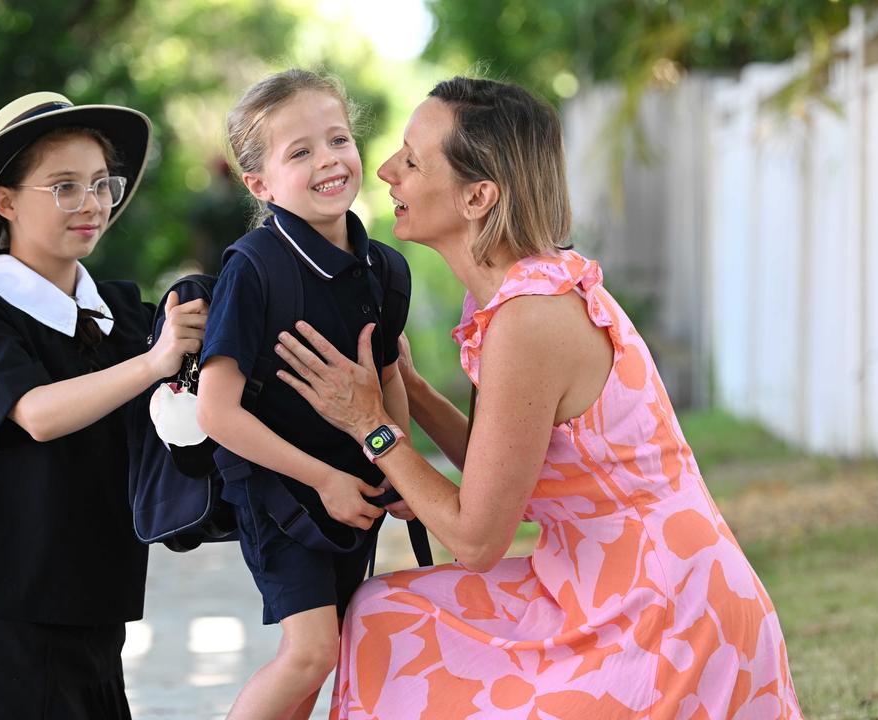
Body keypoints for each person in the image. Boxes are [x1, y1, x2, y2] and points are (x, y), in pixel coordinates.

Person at [274, 77, 803, 719]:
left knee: (391, 627)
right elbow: (510, 464)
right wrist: (412, 390)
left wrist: (374, 427)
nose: (384, 171)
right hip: (597, 583)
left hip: (665, 614)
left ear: (478, 196)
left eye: (412, 160)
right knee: (385, 615)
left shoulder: (531, 317)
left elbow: (476, 537)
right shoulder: (512, 295)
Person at [0, 91, 206, 719]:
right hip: (0, 593)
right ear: (5, 202)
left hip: (96, 591)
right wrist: (151, 363)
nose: (91, 204)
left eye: (100, 184)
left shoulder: (129, 314)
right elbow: (34, 413)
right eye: (64, 187)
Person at [193, 69, 413, 720]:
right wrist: (321, 479)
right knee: (310, 652)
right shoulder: (253, 268)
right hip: (279, 488)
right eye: (300, 152)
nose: (329, 161)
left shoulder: (383, 268)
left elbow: (388, 372)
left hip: (354, 488)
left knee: (327, 655)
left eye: (337, 139)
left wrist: (398, 468)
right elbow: (215, 410)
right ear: (259, 185)